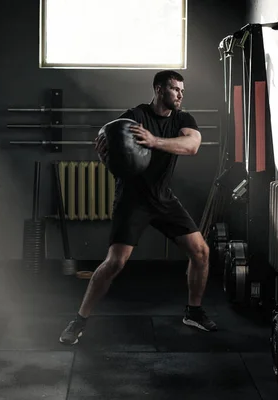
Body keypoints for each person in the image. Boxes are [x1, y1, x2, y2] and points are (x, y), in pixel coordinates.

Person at [59, 70, 217, 345]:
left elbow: (192, 145)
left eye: (182, 90)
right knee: (115, 262)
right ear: (159, 89)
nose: (180, 94)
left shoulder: (183, 119)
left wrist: (154, 141)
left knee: (201, 251)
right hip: (132, 199)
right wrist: (105, 149)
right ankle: (79, 320)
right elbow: (111, 136)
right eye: (175, 89)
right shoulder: (136, 116)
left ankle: (194, 311)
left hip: (163, 198)